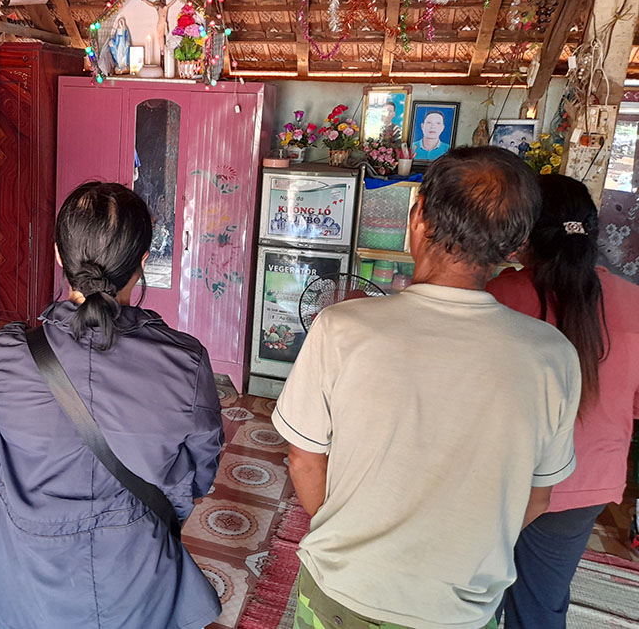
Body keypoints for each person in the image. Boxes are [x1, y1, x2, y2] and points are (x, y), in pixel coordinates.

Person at [273, 146, 581, 629]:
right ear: (517, 244)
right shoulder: (553, 355)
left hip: (345, 589)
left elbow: (304, 459)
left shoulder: (341, 328)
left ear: (416, 218)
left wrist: (351, 536)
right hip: (459, 609)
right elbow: (536, 498)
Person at [0, 181, 224, 629]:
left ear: (59, 256)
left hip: (26, 572)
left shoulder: (7, 353)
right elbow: (198, 474)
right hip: (136, 572)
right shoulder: (186, 362)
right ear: (142, 263)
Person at [487, 174, 639, 628]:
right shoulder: (634, 303)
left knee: (470, 589)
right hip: (587, 481)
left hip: (502, 477)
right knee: (541, 600)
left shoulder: (499, 297)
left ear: (525, 233)